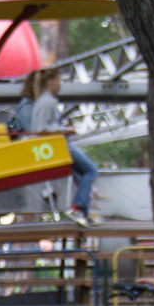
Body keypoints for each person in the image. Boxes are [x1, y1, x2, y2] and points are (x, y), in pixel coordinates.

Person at [29, 71, 100, 226]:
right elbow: (41, 129)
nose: (60, 85)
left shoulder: (42, 101)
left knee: (80, 176)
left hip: (53, 146)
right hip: (56, 146)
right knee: (91, 170)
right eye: (59, 80)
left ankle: (84, 212)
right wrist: (64, 130)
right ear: (52, 81)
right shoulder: (48, 102)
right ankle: (79, 207)